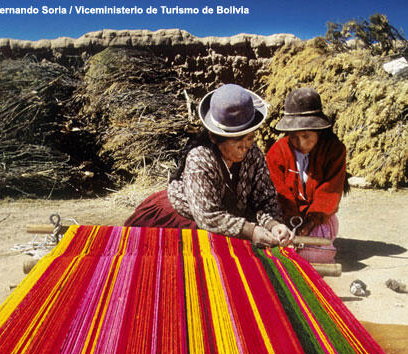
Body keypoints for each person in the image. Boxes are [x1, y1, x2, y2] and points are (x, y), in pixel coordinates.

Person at [125, 83, 292, 247]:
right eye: (236, 140)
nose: (245, 146)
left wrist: (274, 224)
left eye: (249, 137)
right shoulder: (199, 158)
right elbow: (208, 216)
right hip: (185, 217)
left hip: (223, 219)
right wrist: (251, 231)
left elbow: (264, 199)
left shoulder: (253, 154)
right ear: (214, 137)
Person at [266, 87, 347, 263]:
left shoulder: (334, 150)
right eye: (294, 137)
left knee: (314, 254)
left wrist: (310, 222)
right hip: (284, 217)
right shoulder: (277, 152)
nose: (300, 143)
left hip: (319, 218)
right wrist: (291, 221)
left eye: (306, 136)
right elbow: (279, 192)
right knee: (275, 246)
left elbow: (330, 191)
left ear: (319, 131)